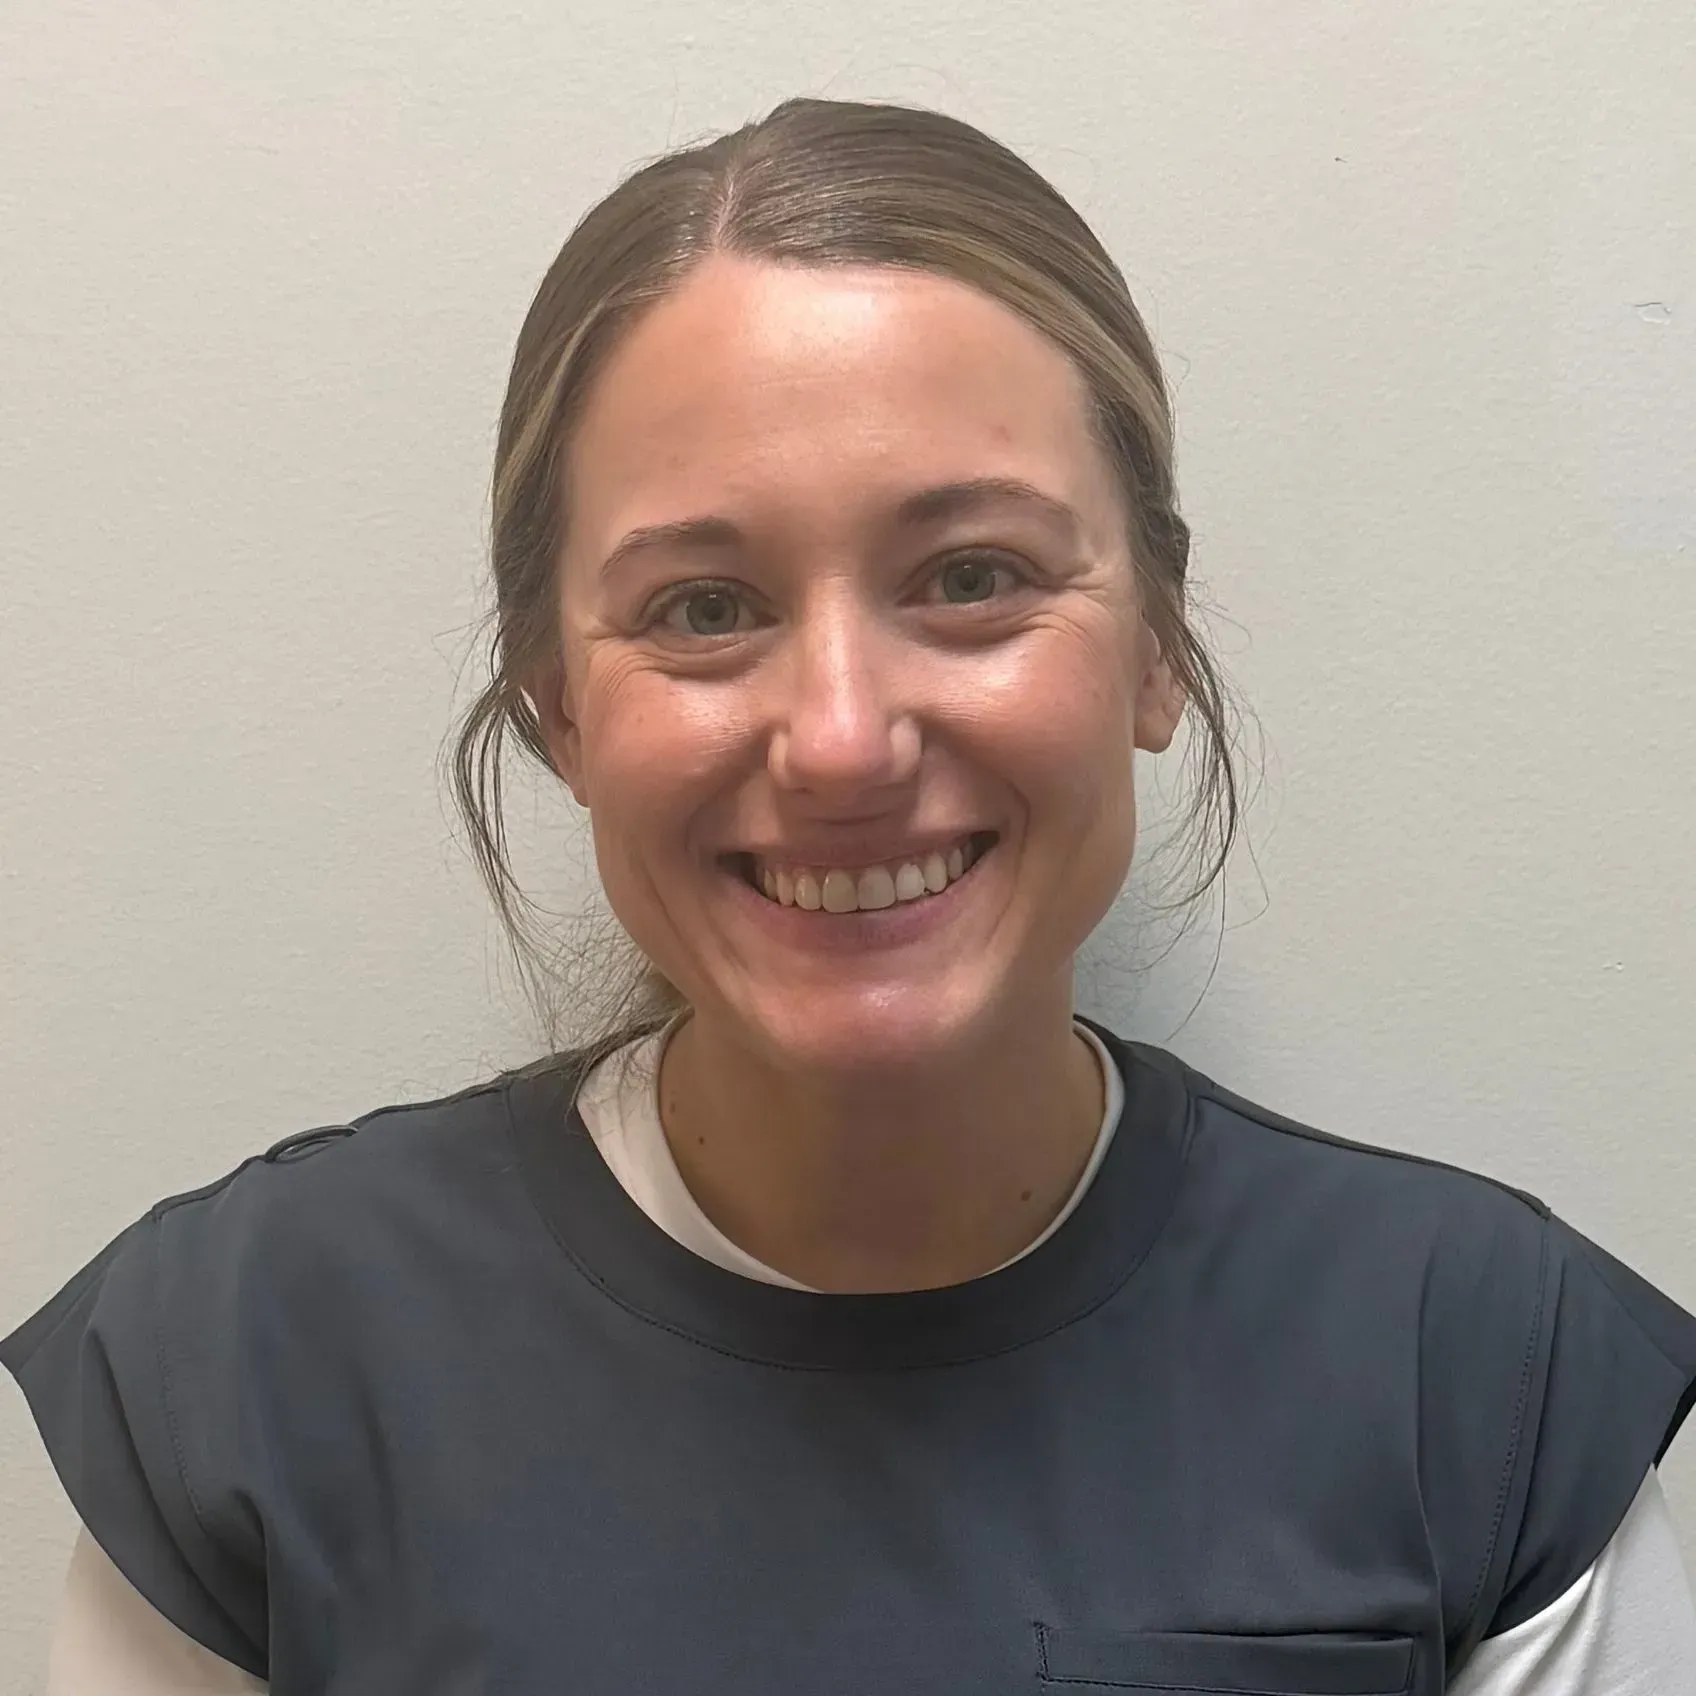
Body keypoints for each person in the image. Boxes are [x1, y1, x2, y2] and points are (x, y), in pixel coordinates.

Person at [4, 96, 1694, 1696]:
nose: (838, 738)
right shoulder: (249, 1373)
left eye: (974, 579)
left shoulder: (1483, 1383)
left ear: (1160, 650)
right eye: (703, 604)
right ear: (559, 707)